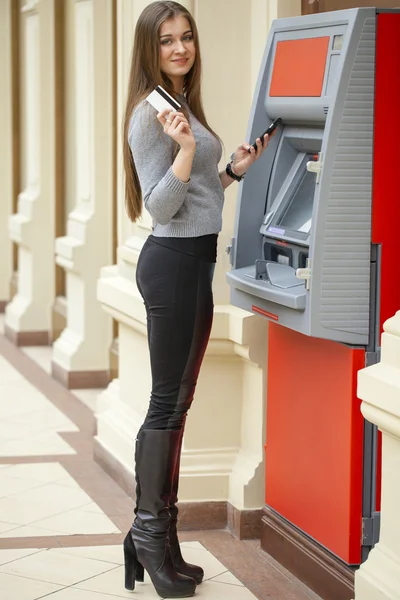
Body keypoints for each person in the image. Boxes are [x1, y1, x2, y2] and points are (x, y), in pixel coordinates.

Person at [122, 2, 272, 597]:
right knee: (166, 404)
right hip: (173, 265)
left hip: (192, 262)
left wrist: (231, 170)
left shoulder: (181, 104)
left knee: (176, 404)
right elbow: (158, 208)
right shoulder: (148, 115)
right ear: (149, 49)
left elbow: (195, 196)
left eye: (186, 37)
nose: (180, 48)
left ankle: (159, 536)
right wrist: (185, 152)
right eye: (166, 41)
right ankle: (148, 535)